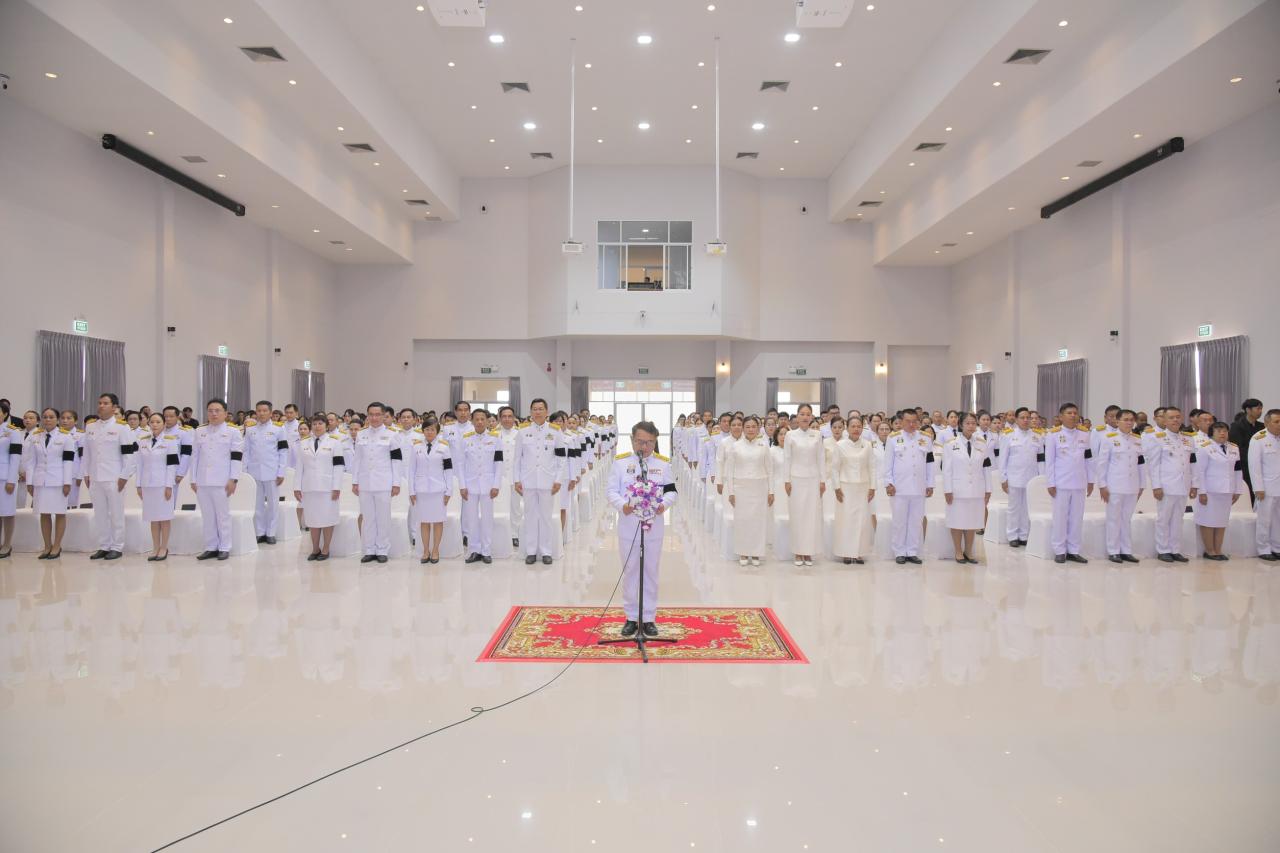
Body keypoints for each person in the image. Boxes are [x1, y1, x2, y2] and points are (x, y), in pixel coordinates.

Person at [607, 421, 677, 639]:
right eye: (639, 442)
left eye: (649, 442)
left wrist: (663, 505)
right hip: (629, 525)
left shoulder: (663, 464)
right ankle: (630, 617)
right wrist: (623, 506)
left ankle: (648, 618)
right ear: (632, 440)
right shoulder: (620, 463)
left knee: (650, 571)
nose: (644, 447)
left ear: (655, 442)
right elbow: (611, 491)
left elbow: (672, 491)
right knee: (630, 571)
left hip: (653, 526)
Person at [83, 393, 139, 560]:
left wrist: (124, 476)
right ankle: (104, 545)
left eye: (105, 403)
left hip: (114, 477)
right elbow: (86, 453)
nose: (101, 406)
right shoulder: (91, 427)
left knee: (116, 513)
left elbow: (129, 455)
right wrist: (86, 473)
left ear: (114, 407)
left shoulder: (122, 427)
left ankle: (117, 546)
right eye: (100, 402)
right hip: (95, 476)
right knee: (100, 513)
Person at [191, 399, 244, 560]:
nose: (213, 414)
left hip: (222, 480)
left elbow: (236, 457)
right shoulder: (200, 431)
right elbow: (195, 456)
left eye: (217, 410)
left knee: (222, 515)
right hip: (202, 480)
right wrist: (193, 479)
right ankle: (211, 546)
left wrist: (233, 479)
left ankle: (224, 547)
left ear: (225, 413)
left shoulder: (233, 432)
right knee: (207, 515)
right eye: (210, 410)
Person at [351, 402, 404, 564]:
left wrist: (396, 483)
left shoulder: (392, 434)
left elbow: (397, 461)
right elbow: (357, 459)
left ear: (383, 416)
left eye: (377, 414)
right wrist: (355, 481)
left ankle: (382, 549)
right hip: (365, 482)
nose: (374, 418)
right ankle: (369, 550)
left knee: (383, 518)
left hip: (384, 482)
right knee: (368, 517)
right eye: (371, 414)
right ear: (367, 416)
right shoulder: (361, 434)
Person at [1142, 406, 1197, 563]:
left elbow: (1193, 463)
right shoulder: (1157, 437)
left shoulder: (1188, 438)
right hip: (1166, 485)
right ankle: (1163, 550)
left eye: (1178, 417)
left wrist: (1194, 484)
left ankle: (1175, 549)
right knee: (1164, 519)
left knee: (1178, 519)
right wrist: (1156, 486)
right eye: (1171, 417)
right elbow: (1153, 464)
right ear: (1164, 421)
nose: (1175, 420)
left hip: (1183, 485)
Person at [514, 399, 563, 565]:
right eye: (534, 409)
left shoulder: (555, 431)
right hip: (527, 481)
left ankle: (546, 551)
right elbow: (517, 459)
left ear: (547, 411)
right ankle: (531, 551)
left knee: (546, 517)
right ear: (530, 412)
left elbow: (561, 459)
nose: (538, 412)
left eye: (541, 409)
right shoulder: (522, 431)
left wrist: (558, 480)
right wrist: (516, 480)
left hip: (548, 481)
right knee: (530, 517)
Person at [22, 408, 77, 559]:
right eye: (45, 417)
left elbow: (68, 461)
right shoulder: (35, 436)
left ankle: (57, 546)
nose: (48, 419)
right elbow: (31, 462)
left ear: (57, 419)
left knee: (60, 513)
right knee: (44, 513)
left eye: (51, 417)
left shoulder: (66, 437)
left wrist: (67, 482)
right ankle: (47, 546)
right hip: (40, 481)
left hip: (58, 481)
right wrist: (30, 482)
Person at [1045, 403, 1094, 564]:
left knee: (1076, 518)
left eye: (1075, 413)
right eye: (1069, 413)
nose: (1073, 415)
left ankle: (1074, 550)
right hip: (1061, 483)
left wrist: (1091, 480)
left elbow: (1088, 459)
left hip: (1079, 482)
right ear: (1061, 416)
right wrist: (1050, 482)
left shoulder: (1085, 434)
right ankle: (1059, 550)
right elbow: (1049, 461)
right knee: (1060, 518)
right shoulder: (1053, 435)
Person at [884, 410, 935, 565]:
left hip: (919, 487)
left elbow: (930, 463)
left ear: (918, 422)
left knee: (916, 521)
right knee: (899, 521)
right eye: (908, 421)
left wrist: (930, 483)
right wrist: (888, 483)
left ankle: (912, 551)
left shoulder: (926, 438)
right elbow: (888, 463)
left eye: (914, 421)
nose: (911, 424)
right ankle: (899, 551)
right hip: (899, 487)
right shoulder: (893, 438)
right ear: (901, 422)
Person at [1096, 409, 1146, 564]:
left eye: (1131, 420)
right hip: (1115, 486)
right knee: (1114, 519)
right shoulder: (1109, 438)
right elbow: (1102, 463)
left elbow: (1141, 464)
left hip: (1132, 485)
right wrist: (1102, 485)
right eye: (1125, 419)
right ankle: (1113, 551)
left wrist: (1142, 485)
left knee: (1126, 519)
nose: (1129, 422)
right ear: (1117, 422)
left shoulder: (1137, 440)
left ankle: (1126, 551)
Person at [722, 415, 773, 566]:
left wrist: (771, 491)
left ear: (758, 429)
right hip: (741, 489)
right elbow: (729, 471)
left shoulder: (764, 445)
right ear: (743, 429)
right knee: (742, 521)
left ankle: (756, 553)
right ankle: (743, 552)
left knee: (758, 521)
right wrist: (731, 492)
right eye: (748, 427)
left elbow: (770, 470)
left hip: (759, 488)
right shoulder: (735, 446)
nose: (751, 430)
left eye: (753, 427)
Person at [294, 414, 345, 561]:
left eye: (320, 423)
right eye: (314, 424)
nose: (317, 426)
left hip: (327, 488)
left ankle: (326, 549)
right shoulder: (304, 443)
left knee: (328, 519)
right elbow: (299, 467)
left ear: (326, 426)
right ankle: (315, 548)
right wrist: (297, 487)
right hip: (309, 487)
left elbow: (339, 466)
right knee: (312, 520)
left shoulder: (334, 442)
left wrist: (336, 487)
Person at [942, 412, 991, 564]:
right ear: (961, 425)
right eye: (967, 423)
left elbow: (986, 467)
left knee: (972, 522)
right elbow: (947, 470)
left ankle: (969, 551)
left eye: (973, 423)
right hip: (957, 490)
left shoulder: (982, 443)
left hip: (977, 489)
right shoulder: (950, 444)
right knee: (957, 521)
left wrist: (988, 489)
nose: (971, 426)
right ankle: (958, 551)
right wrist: (947, 490)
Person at [1192, 420, 1245, 560]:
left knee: (1221, 522)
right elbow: (1199, 471)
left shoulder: (1234, 448)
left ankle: (1218, 550)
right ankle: (1210, 551)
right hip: (1210, 491)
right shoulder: (1204, 447)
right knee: (1208, 521)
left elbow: (1238, 470)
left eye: (1225, 431)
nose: (1223, 433)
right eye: (1219, 431)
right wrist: (1202, 492)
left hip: (1227, 490)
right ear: (1212, 433)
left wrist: (1237, 490)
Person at [459, 408, 502, 565]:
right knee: (471, 519)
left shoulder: (495, 438)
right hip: (470, 485)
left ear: (487, 420)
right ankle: (473, 550)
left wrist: (496, 485)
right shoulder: (465, 439)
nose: (479, 422)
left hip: (488, 485)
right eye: (476, 419)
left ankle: (486, 551)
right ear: (472, 420)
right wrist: (462, 485)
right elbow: (460, 464)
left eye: (482, 419)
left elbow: (499, 463)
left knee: (487, 519)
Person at [831, 415, 876, 565]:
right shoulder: (840, 445)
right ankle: (846, 553)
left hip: (863, 487)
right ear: (847, 428)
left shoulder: (867, 445)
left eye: (859, 426)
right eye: (853, 426)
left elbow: (872, 467)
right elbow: (835, 468)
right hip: (845, 487)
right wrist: (837, 487)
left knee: (862, 521)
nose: (856, 429)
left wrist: (872, 487)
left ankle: (859, 553)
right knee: (846, 520)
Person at [783, 404, 824, 567]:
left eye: (808, 414)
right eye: (802, 414)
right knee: (797, 515)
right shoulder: (790, 435)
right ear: (797, 417)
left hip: (813, 480)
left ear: (812, 417)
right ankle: (798, 551)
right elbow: (787, 458)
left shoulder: (817, 435)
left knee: (811, 517)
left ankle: (808, 551)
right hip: (796, 480)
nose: (805, 417)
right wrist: (786, 480)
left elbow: (821, 458)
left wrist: (822, 481)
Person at [407, 416, 453, 564]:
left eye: (432, 429)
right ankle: (426, 550)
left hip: (438, 490)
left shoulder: (444, 447)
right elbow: (411, 470)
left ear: (437, 431)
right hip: (421, 490)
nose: (429, 432)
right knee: (424, 522)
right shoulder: (416, 447)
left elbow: (448, 471)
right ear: (423, 431)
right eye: (426, 429)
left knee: (438, 521)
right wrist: (411, 491)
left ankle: (435, 550)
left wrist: (449, 491)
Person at [243, 400, 289, 545]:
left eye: (264, 411)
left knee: (273, 504)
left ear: (270, 413)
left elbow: (283, 451)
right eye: (259, 411)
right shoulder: (250, 430)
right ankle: (260, 532)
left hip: (272, 471)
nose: (261, 413)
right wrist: (244, 471)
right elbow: (246, 451)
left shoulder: (279, 429)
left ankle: (271, 533)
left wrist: (281, 471)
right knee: (257, 504)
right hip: (254, 471)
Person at [136, 412, 178, 561]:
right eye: (152, 422)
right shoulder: (142, 441)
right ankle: (155, 547)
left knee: (164, 517)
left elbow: (172, 466)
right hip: (147, 484)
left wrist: (169, 486)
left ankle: (164, 547)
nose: (154, 425)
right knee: (153, 518)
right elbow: (139, 464)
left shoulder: (170, 441)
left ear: (164, 424)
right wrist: (138, 485)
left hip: (163, 485)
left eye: (158, 422)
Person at [1248, 409, 1280, 560]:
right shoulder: (1258, 438)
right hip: (1266, 487)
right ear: (1267, 423)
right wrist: (1258, 487)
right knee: (1264, 520)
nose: (1279, 425)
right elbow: (1254, 466)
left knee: (1278, 519)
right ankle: (1263, 549)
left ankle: (1276, 547)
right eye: (1276, 422)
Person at [497, 406, 522, 547]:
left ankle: (514, 534)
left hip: (515, 477)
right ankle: (500, 533)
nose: (507, 419)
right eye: (504, 416)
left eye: (509, 416)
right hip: (499, 477)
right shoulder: (493, 434)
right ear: (500, 418)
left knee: (515, 507)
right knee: (499, 506)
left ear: (514, 418)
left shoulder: (520, 434)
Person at [1230, 398, 1264, 503]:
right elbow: (1238, 448)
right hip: (1245, 466)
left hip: (1260, 465)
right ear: (1248, 410)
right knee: (1249, 494)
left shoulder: (1261, 426)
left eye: (1261, 409)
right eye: (1258, 408)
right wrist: (1252, 459)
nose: (1260, 411)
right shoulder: (1237, 426)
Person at [0, 402, 23, 557]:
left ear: (5, 414)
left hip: (5, 476)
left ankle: (7, 544)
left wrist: (11, 479)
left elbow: (15, 458)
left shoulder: (12, 432)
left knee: (7, 512)